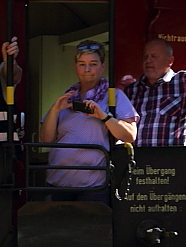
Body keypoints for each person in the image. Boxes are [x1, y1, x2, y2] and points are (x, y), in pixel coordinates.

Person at [38, 40, 137, 201]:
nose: (87, 69)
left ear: (103, 66)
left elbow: (130, 135)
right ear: (75, 66)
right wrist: (55, 110)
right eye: (82, 64)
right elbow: (46, 139)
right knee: (59, 226)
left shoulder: (113, 96)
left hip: (93, 186)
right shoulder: (67, 97)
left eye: (93, 64)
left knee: (92, 226)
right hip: (59, 182)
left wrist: (103, 116)